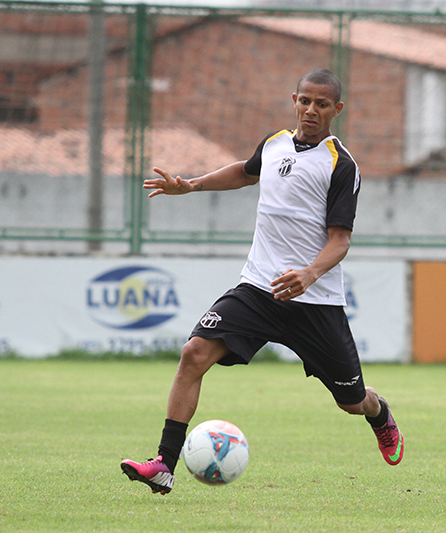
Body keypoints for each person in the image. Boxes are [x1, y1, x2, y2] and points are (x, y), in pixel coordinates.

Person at [121, 68, 404, 495]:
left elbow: (340, 241)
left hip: (314, 302)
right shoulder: (274, 143)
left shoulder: (341, 165)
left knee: (351, 401)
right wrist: (192, 185)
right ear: (294, 99)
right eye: (305, 101)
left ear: (337, 110)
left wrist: (309, 274)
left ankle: (378, 413)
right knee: (194, 353)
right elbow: (246, 170)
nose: (311, 110)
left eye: (322, 104)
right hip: (258, 288)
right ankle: (163, 464)